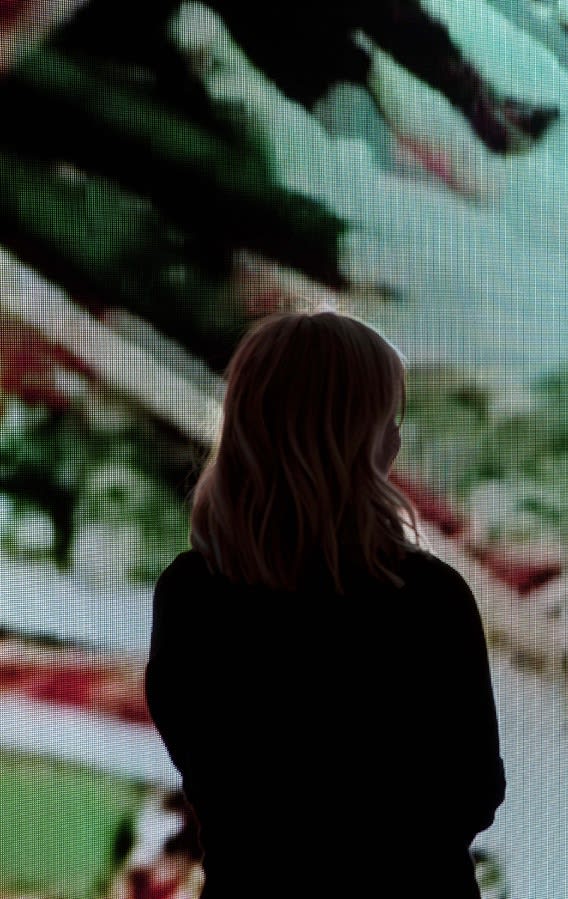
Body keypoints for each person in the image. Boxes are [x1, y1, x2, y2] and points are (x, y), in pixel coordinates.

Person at [143, 309, 504, 897]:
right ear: (353, 439)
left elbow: (218, 781)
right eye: (389, 418)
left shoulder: (190, 595)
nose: (397, 437)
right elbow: (474, 793)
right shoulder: (428, 599)